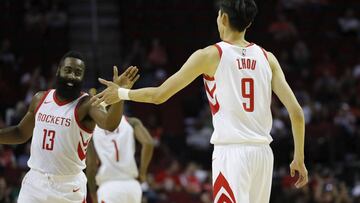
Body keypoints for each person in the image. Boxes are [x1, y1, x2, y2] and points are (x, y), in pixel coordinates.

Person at [92, 0, 308, 202]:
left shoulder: (210, 55)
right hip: (263, 154)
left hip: (231, 154)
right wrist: (298, 157)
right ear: (249, 22)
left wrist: (121, 94)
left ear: (222, 18)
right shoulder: (268, 58)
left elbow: (160, 95)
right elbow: (296, 112)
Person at [0, 51, 139, 203]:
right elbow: (21, 133)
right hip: (35, 183)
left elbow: (110, 124)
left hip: (68, 187)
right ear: (59, 70)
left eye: (78, 73)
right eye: (68, 70)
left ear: (83, 77)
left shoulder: (87, 104)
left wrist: (119, 95)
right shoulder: (40, 98)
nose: (72, 76)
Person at [86, 113, 154, 203]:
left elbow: (91, 165)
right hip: (132, 186)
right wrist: (142, 172)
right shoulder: (131, 122)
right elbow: (148, 143)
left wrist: (93, 193)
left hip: (108, 188)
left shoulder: (91, 129)